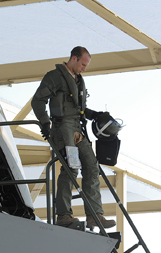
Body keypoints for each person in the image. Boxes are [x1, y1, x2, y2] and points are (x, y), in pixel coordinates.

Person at [31, 46, 115, 230]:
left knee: (92, 167)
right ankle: (64, 215)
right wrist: (45, 122)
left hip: (78, 129)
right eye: (83, 64)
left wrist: (95, 115)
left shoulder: (78, 80)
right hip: (63, 129)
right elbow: (37, 100)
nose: (84, 68)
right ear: (74, 58)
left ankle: (95, 215)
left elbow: (79, 107)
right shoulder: (55, 76)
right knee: (71, 169)